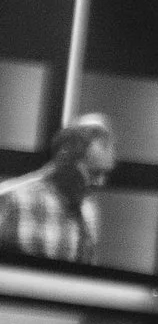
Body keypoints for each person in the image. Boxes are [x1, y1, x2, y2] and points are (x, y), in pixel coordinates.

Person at [0, 113, 115, 266]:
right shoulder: (11, 199)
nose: (100, 183)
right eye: (94, 172)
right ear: (65, 160)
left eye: (104, 173)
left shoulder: (88, 210)